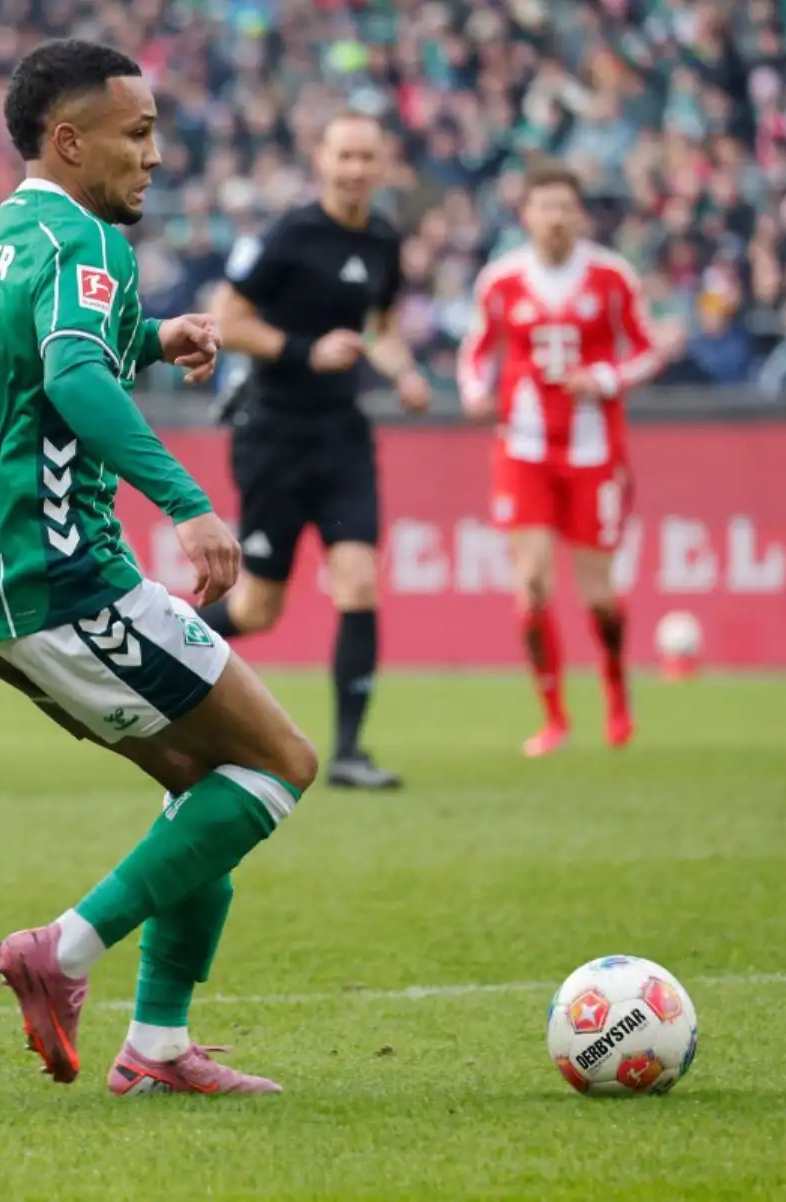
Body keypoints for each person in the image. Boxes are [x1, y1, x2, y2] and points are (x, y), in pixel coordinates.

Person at [0, 38, 319, 1098]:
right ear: (70, 140)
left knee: (206, 787)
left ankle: (155, 1048)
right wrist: (190, 504)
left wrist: (150, 338)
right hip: (61, 570)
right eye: (136, 133)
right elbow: (68, 375)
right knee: (281, 762)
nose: (154, 155)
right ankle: (59, 950)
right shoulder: (88, 233)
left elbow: (43, 351)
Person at [199, 111, 431, 791]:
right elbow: (228, 320)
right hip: (275, 433)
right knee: (256, 611)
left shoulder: (385, 239)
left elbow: (380, 329)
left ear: (382, 165)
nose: (356, 169)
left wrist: (405, 371)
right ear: (321, 160)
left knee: (359, 582)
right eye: (345, 156)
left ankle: (351, 754)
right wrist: (305, 351)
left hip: (343, 435)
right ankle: (152, 650)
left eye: (367, 157)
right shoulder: (289, 236)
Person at [456, 161, 661, 757]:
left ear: (579, 215)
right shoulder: (501, 280)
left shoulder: (612, 276)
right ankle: (553, 717)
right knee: (533, 585)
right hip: (522, 445)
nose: (555, 218)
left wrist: (605, 376)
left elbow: (646, 351)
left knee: (598, 595)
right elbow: (476, 351)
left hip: (594, 449)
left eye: (564, 207)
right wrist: (474, 392)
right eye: (544, 207)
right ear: (527, 215)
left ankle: (617, 690)